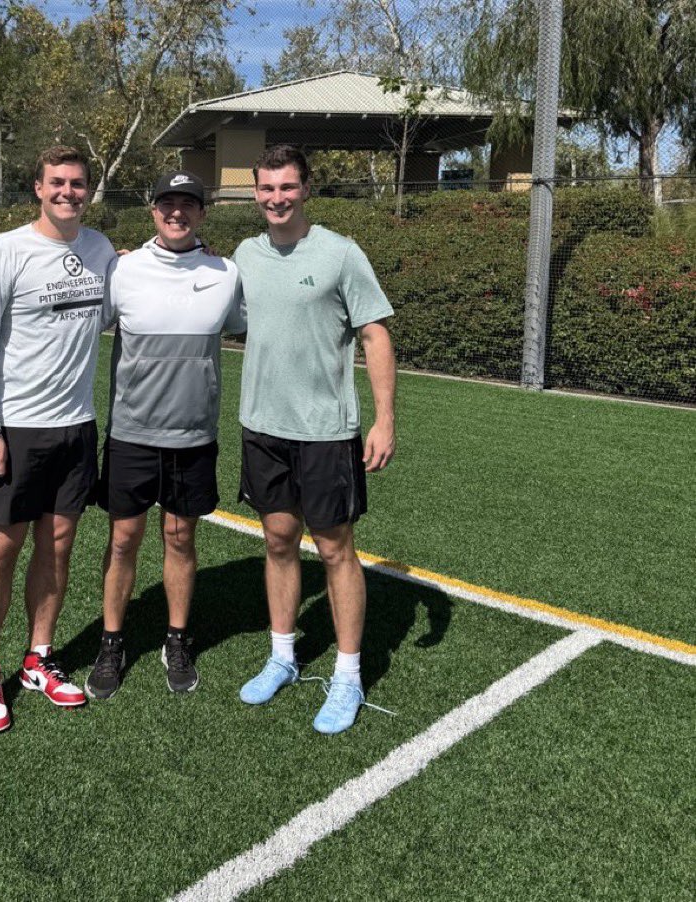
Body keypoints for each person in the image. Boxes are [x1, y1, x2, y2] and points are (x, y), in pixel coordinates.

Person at [233, 145, 396, 735]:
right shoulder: (245, 254)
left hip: (326, 432)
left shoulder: (340, 253)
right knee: (278, 540)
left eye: (287, 187)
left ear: (306, 190)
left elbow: (375, 336)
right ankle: (283, 656)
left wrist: (384, 421)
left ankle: (348, 675)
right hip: (262, 427)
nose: (277, 198)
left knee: (334, 549)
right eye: (267, 188)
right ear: (256, 193)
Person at [0, 145, 117, 733]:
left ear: (88, 191)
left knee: (58, 546)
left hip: (76, 428)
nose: (67, 192)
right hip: (14, 431)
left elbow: (110, 314)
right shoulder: (4, 252)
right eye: (57, 182)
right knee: (0, 549)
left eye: (77, 183)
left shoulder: (100, 251)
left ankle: (39, 659)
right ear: (38, 187)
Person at [85, 170, 245, 700]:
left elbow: (253, 326)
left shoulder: (226, 273)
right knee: (124, 538)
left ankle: (176, 639)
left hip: (194, 437)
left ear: (203, 213)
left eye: (188, 204)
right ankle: (112, 641)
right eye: (166, 204)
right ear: (153, 211)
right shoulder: (123, 270)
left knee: (180, 538)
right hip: (132, 433)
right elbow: (83, 328)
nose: (176, 213)